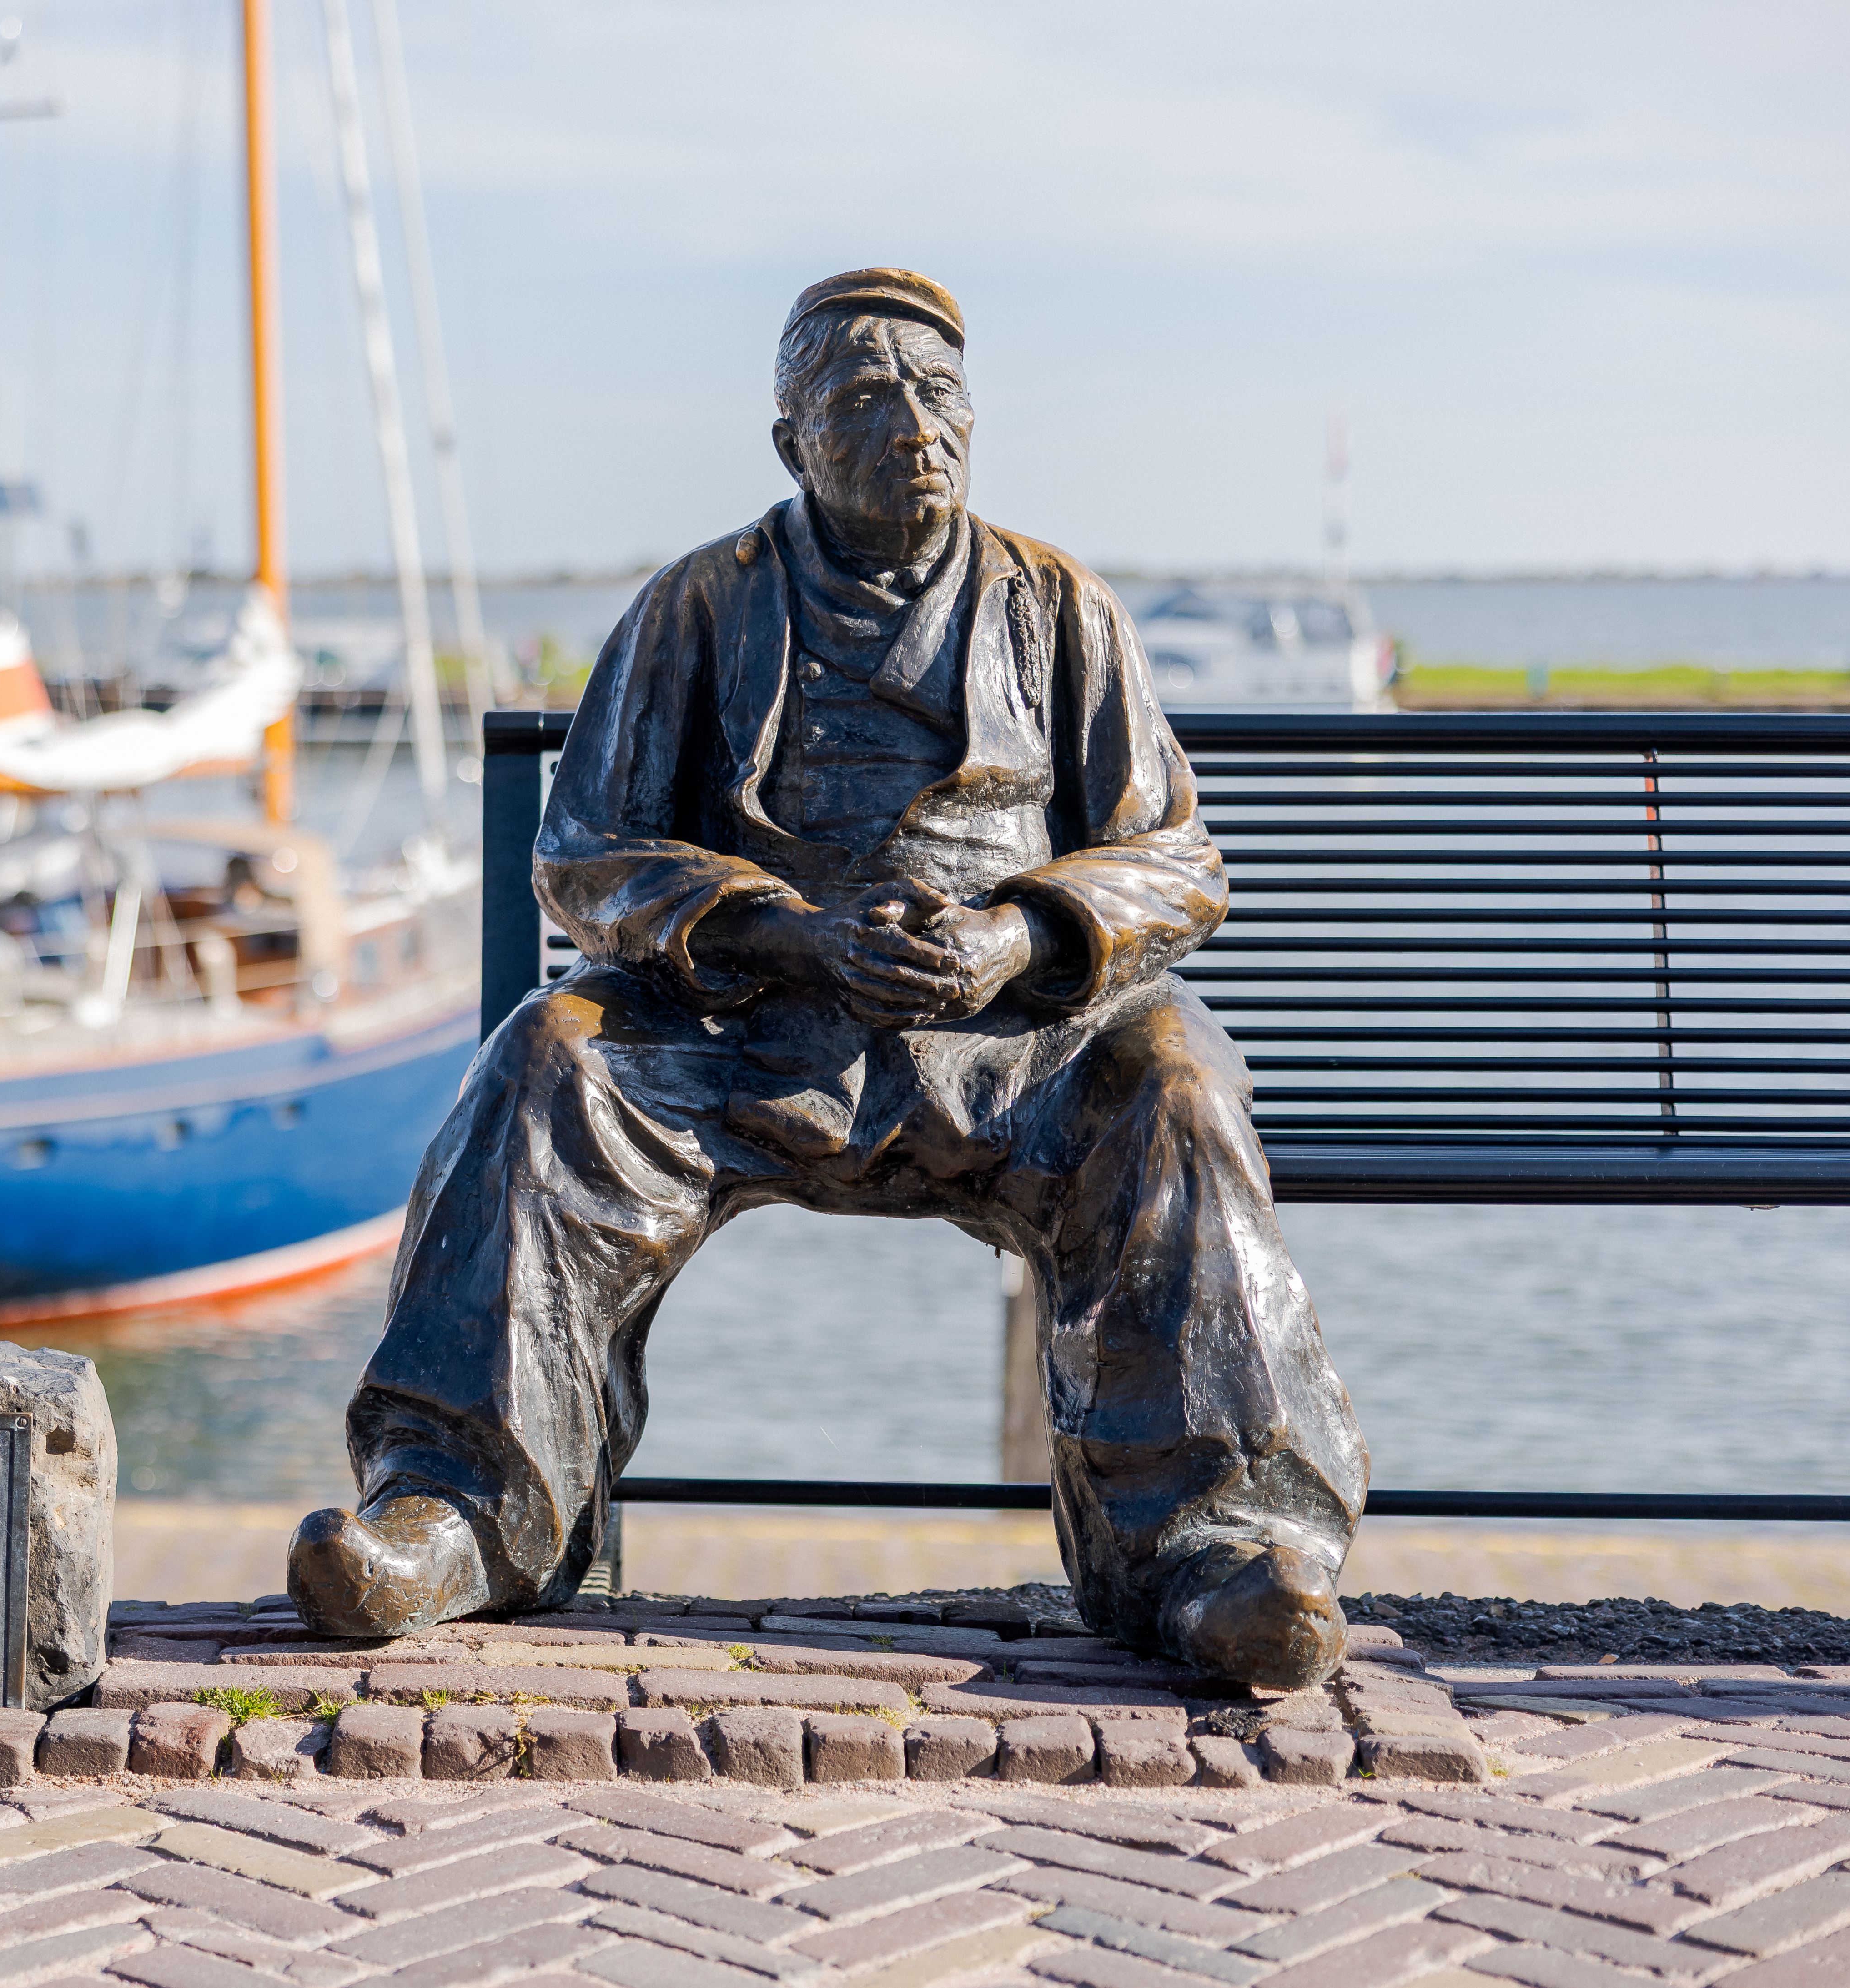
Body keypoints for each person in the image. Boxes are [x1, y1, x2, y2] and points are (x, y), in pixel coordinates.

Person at [285, 270, 1370, 1687]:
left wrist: (1017, 934)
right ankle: (457, 1511)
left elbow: (1175, 861)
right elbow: (585, 853)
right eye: (864, 399)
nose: (913, 425)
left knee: (1172, 1078)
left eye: (937, 393)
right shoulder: (699, 604)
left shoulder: (1056, 606)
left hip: (1011, 1045)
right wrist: (788, 932)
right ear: (792, 442)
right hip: (749, 1030)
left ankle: (1220, 1550)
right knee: (548, 1054)